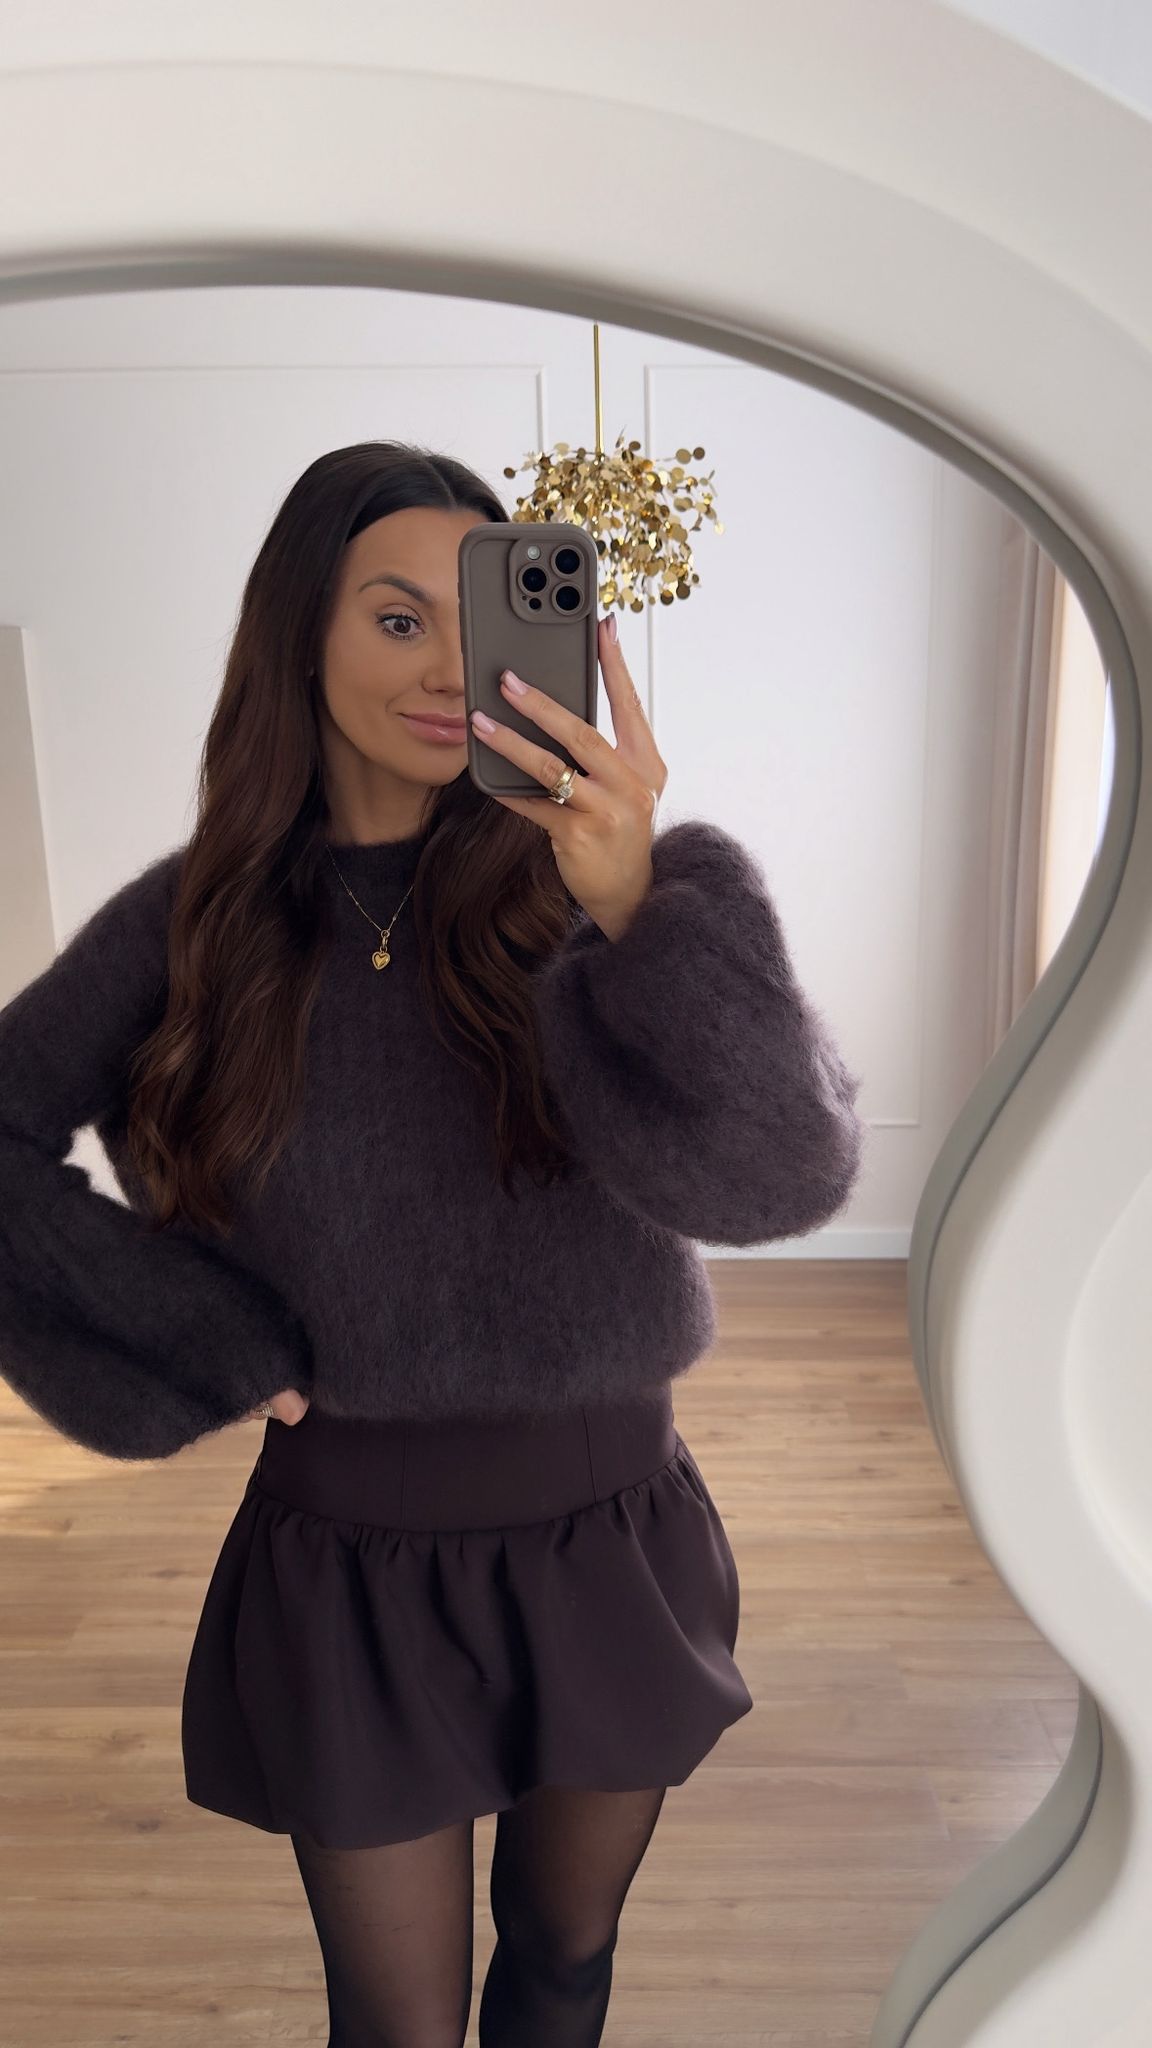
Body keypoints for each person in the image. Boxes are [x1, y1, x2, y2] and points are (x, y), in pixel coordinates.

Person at [0, 441, 865, 2047]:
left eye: (484, 622)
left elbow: (790, 1177)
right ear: (300, 636)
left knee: (564, 1960)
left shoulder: (633, 885)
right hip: (351, 1559)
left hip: (610, 1532)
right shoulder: (195, 923)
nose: (452, 673)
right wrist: (189, 1333)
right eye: (398, 620)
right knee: (396, 2023)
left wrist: (636, 908)